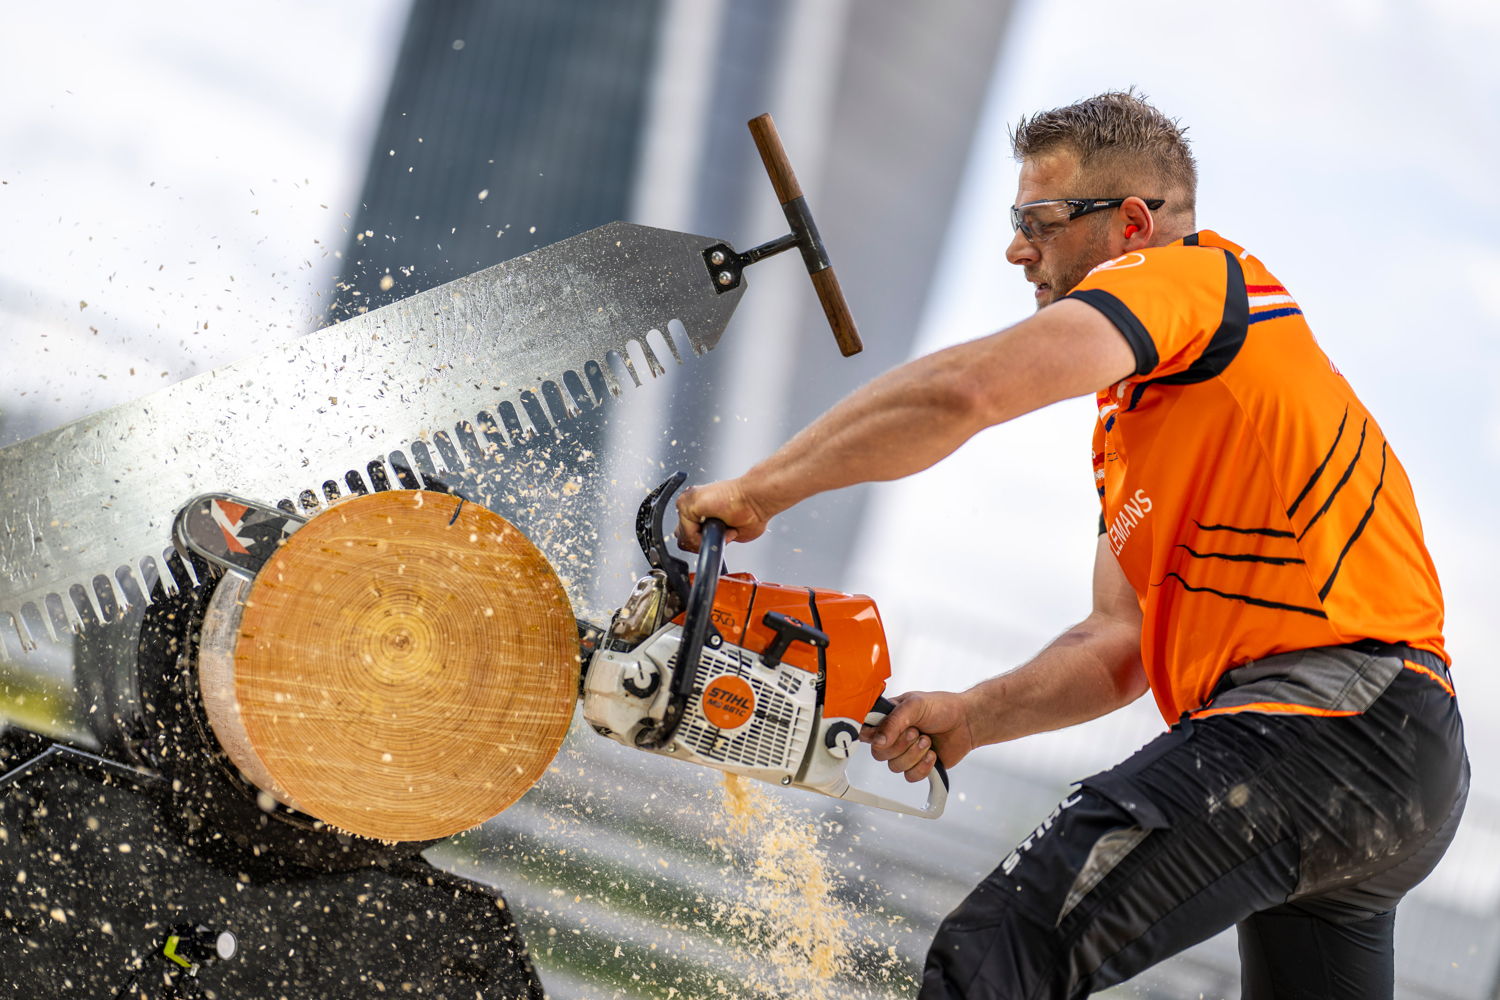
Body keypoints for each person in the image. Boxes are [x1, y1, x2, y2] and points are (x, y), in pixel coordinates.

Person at [673, 91, 1467, 999]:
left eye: (1039, 222)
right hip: (1387, 756)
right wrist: (974, 715)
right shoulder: (1141, 420)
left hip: (1331, 722)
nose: (1017, 249)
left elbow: (963, 391)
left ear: (1133, 223)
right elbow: (1117, 645)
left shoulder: (1191, 278)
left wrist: (760, 489)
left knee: (1003, 947)